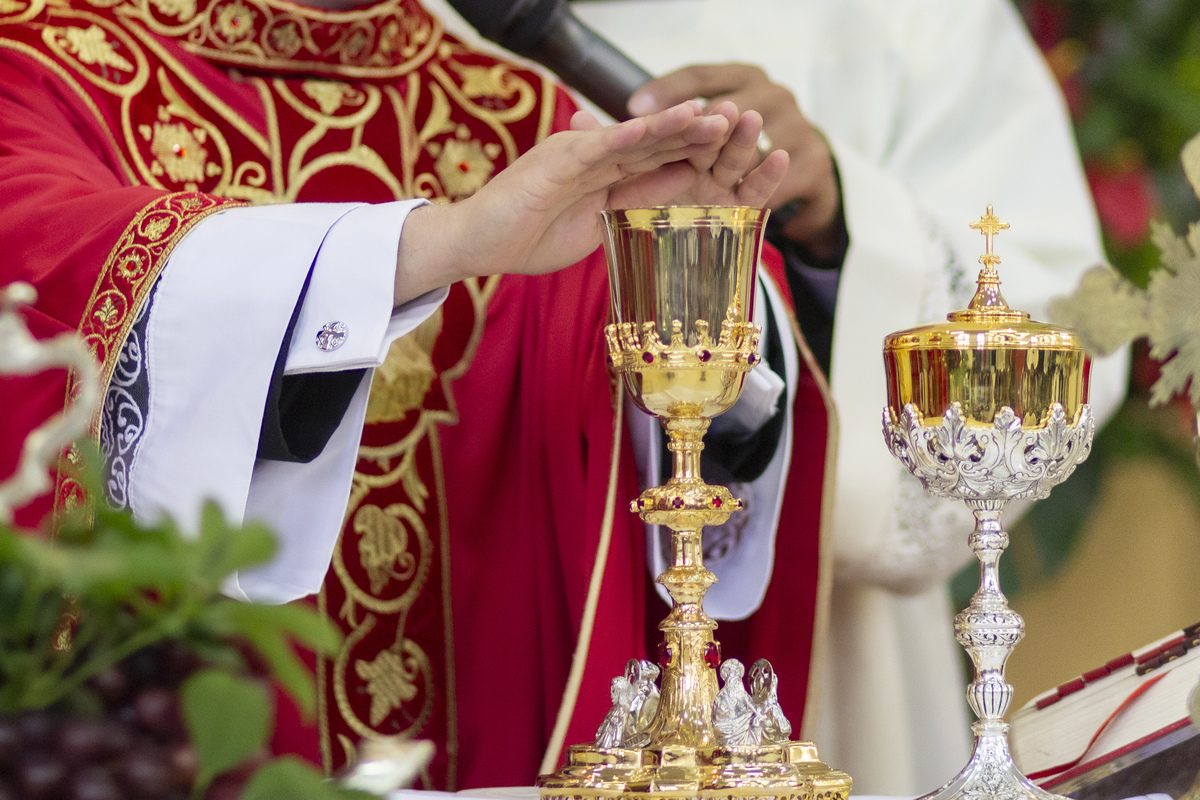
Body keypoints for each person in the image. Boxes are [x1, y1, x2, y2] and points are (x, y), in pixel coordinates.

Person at [0, 0, 795, 788]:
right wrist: (439, 243)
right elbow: (45, 257)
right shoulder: (39, 66)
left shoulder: (531, 119)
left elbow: (635, 402)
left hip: (487, 734)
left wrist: (692, 271)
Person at [547, 0, 1128, 792]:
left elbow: (1071, 317)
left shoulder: (912, 16)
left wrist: (840, 225)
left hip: (839, 675)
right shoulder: (405, 29)